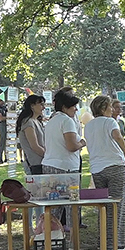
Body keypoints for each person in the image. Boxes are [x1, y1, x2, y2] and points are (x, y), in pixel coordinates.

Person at [85, 96, 125, 250]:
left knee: (104, 205)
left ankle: (103, 241)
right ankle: (114, 242)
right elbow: (117, 136)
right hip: (114, 165)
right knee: (117, 204)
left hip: (97, 168)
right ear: (103, 107)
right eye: (110, 107)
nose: (112, 109)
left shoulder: (89, 125)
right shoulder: (110, 122)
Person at [41, 91, 86, 230]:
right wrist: (82, 143)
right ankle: (73, 240)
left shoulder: (52, 121)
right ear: (65, 107)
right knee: (72, 205)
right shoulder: (67, 121)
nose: (76, 110)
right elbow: (71, 146)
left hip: (49, 165)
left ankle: (48, 237)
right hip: (66, 168)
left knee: (53, 207)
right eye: (74, 107)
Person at [16, 94, 46, 175]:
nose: (43, 107)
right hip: (35, 164)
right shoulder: (28, 122)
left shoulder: (36, 121)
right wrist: (49, 156)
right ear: (32, 106)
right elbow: (35, 146)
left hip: (42, 163)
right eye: (41, 104)